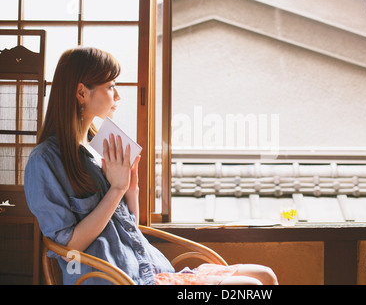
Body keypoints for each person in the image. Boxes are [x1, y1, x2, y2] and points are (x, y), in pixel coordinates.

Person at [24, 47, 278, 285]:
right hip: (117, 278)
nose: (118, 95)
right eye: (111, 86)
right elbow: (69, 246)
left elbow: (126, 224)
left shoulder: (96, 144)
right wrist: (117, 189)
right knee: (250, 286)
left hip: (150, 268)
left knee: (265, 275)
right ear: (81, 93)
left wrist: (130, 187)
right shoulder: (45, 161)